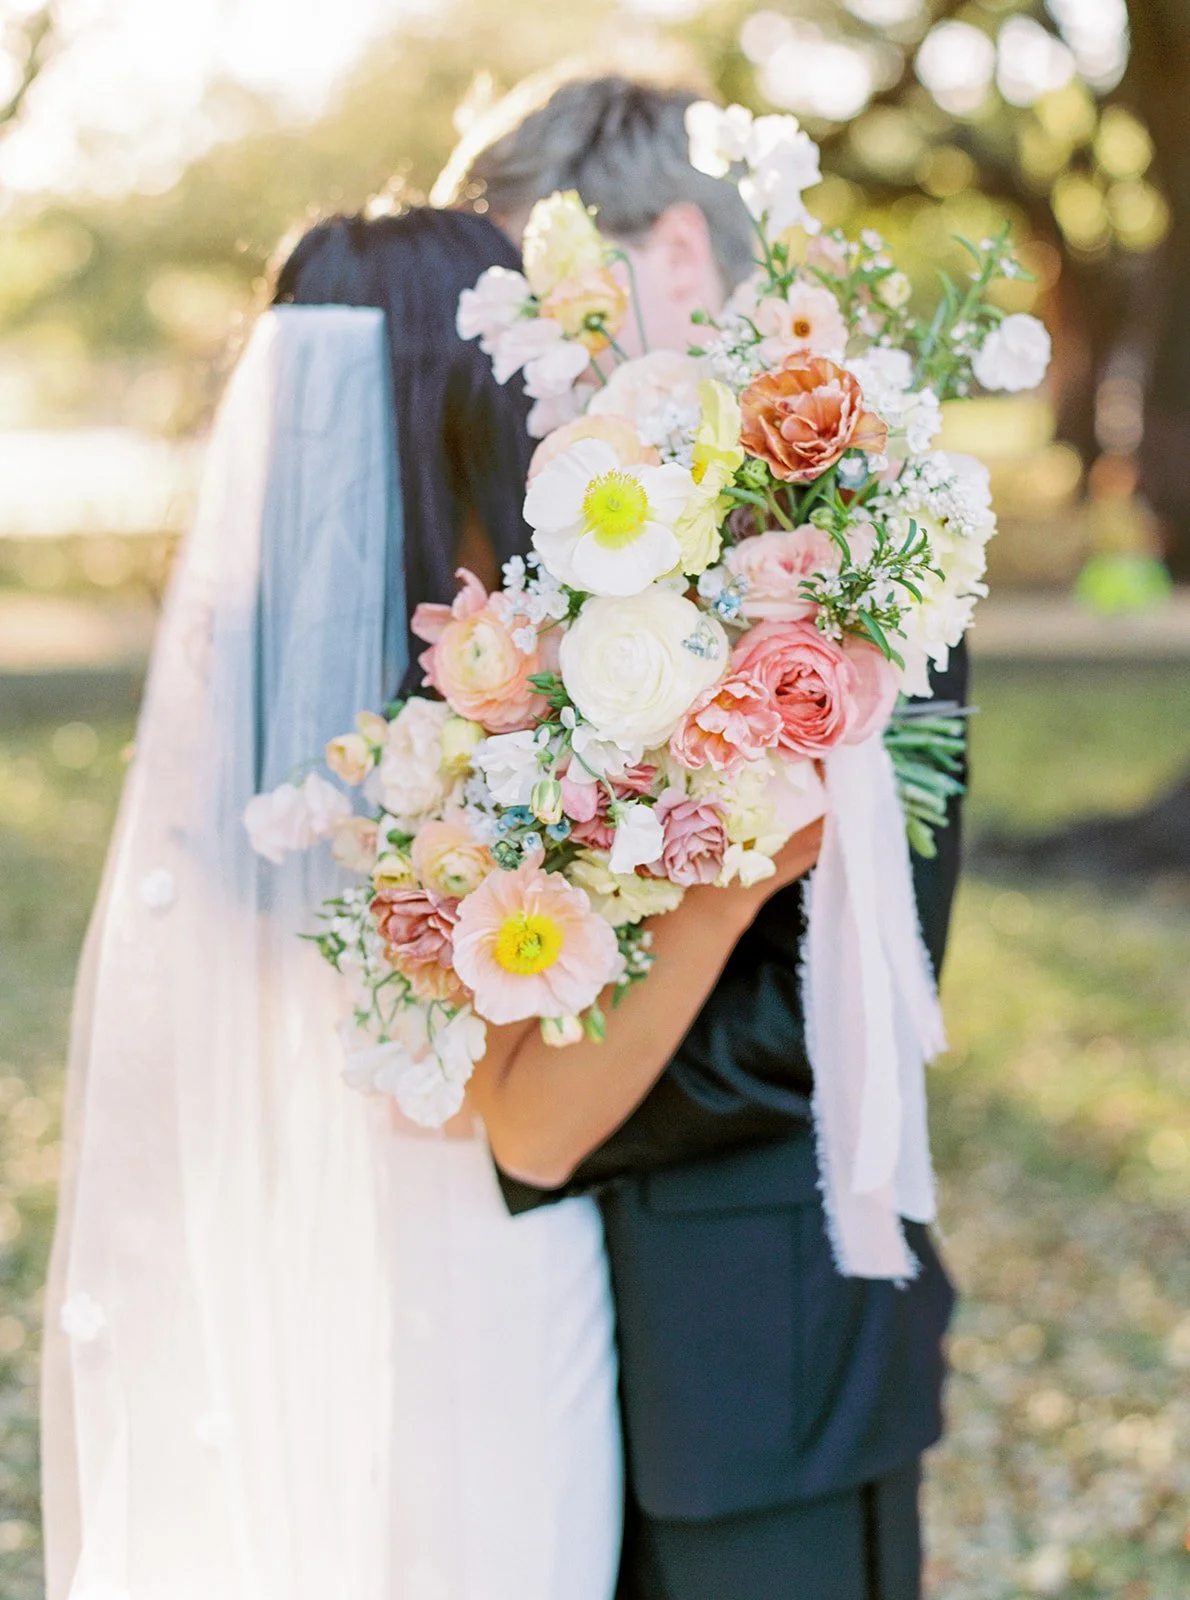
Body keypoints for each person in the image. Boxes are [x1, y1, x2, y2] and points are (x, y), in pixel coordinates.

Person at [40, 208, 626, 1600]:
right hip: (477, 1305)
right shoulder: (458, 753)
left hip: (268, 1297)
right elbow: (517, 1119)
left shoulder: (239, 725)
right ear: (469, 422)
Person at [440, 73, 966, 1600]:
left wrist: (525, 1106)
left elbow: (839, 1004)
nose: (523, 348)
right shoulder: (576, 510)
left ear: (673, 250)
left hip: (758, 1331)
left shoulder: (869, 526)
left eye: (544, 286)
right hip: (541, 1336)